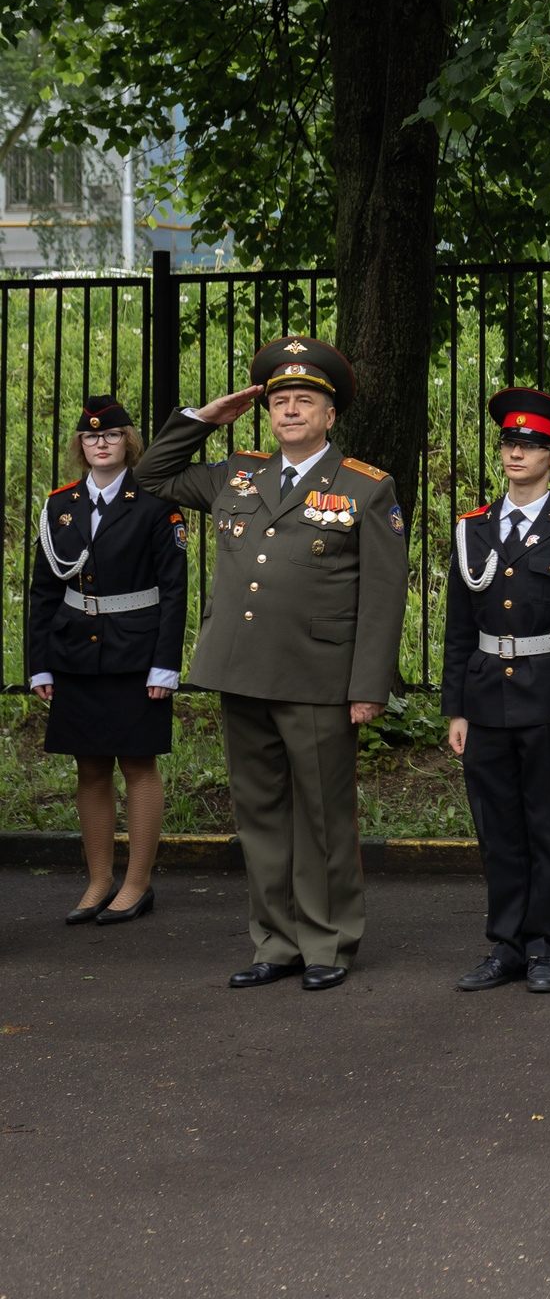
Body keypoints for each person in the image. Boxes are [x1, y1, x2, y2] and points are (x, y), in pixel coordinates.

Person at [136, 336, 404, 991]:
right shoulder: (237, 474)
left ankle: (327, 941)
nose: (289, 410)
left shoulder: (365, 488)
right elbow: (151, 476)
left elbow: (383, 600)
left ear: (330, 414)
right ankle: (275, 940)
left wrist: (368, 687)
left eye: (304, 400)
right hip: (242, 672)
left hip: (319, 678)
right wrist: (204, 419)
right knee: (258, 813)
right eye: (280, 400)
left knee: (321, 816)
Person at [441, 388, 550, 993]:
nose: (516, 452)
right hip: (485, 696)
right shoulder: (472, 527)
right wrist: (453, 707)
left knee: (548, 824)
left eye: (531, 445)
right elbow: (457, 628)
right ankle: (507, 942)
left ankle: (548, 945)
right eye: (509, 442)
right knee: (497, 826)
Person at [32, 394, 185, 927]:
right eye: (91, 436)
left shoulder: (155, 504)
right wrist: (40, 664)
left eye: (112, 435)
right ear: (81, 445)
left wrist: (166, 665)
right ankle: (99, 880)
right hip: (74, 653)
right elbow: (43, 591)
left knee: (137, 765)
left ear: (129, 443)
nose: (101, 443)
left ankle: (137, 884)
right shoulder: (60, 505)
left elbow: (175, 590)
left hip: (136, 654)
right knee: (90, 768)